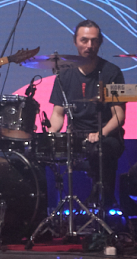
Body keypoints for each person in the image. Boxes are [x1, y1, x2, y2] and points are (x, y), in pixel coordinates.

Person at [46, 20, 125, 211]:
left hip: (105, 136)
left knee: (102, 151)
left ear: (100, 42)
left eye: (94, 41)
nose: (89, 45)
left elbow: (119, 115)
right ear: (75, 42)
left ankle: (103, 204)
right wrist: (50, 133)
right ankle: (44, 210)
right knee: (37, 153)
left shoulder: (112, 72)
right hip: (75, 136)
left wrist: (101, 133)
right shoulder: (65, 75)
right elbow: (58, 113)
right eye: (84, 40)